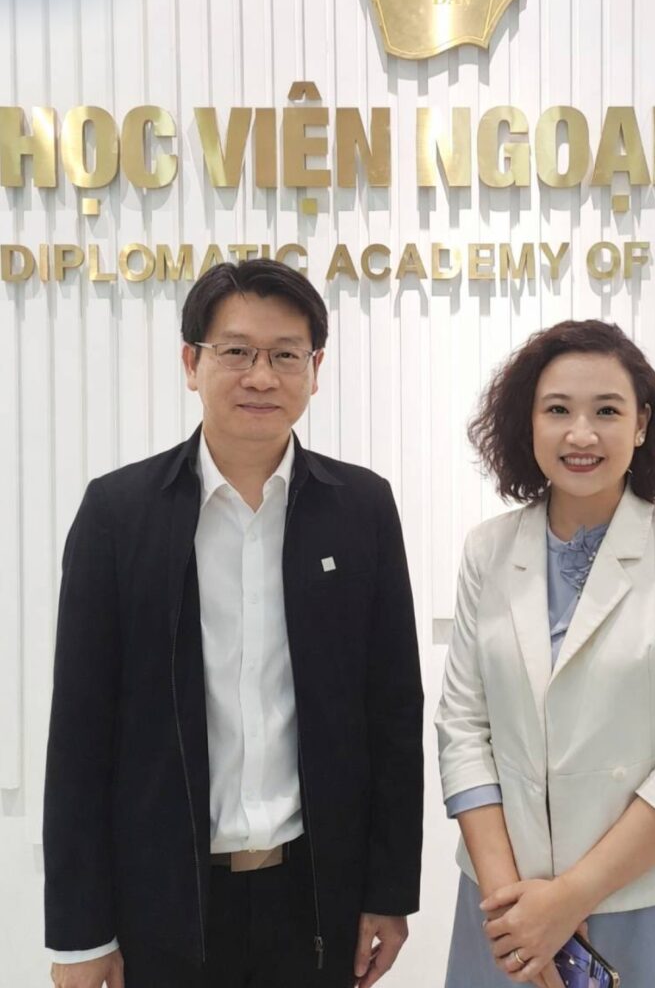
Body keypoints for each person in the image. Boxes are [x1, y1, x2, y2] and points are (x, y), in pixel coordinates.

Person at [44, 259, 424, 988]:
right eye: (237, 352)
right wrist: (80, 933)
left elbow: (392, 713)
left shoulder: (361, 510)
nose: (261, 377)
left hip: (314, 895)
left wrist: (388, 892)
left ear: (315, 369)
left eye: (285, 355)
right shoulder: (119, 515)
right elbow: (80, 734)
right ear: (192, 363)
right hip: (163, 901)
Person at [435, 319, 655, 988]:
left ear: (641, 424)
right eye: (557, 410)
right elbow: (462, 730)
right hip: (508, 906)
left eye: (606, 411)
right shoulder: (487, 551)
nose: (580, 434)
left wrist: (567, 900)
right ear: (527, 423)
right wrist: (512, 910)